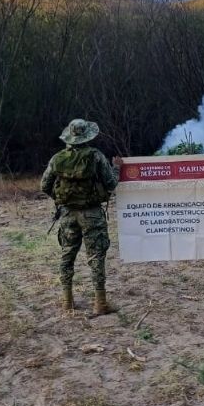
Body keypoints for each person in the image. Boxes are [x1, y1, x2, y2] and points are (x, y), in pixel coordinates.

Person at [40, 119, 121, 315]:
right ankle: (100, 303)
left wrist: (62, 200)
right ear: (87, 136)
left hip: (68, 214)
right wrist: (117, 168)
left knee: (67, 256)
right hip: (92, 213)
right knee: (96, 257)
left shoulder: (57, 158)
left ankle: (67, 302)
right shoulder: (96, 156)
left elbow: (44, 186)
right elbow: (111, 184)